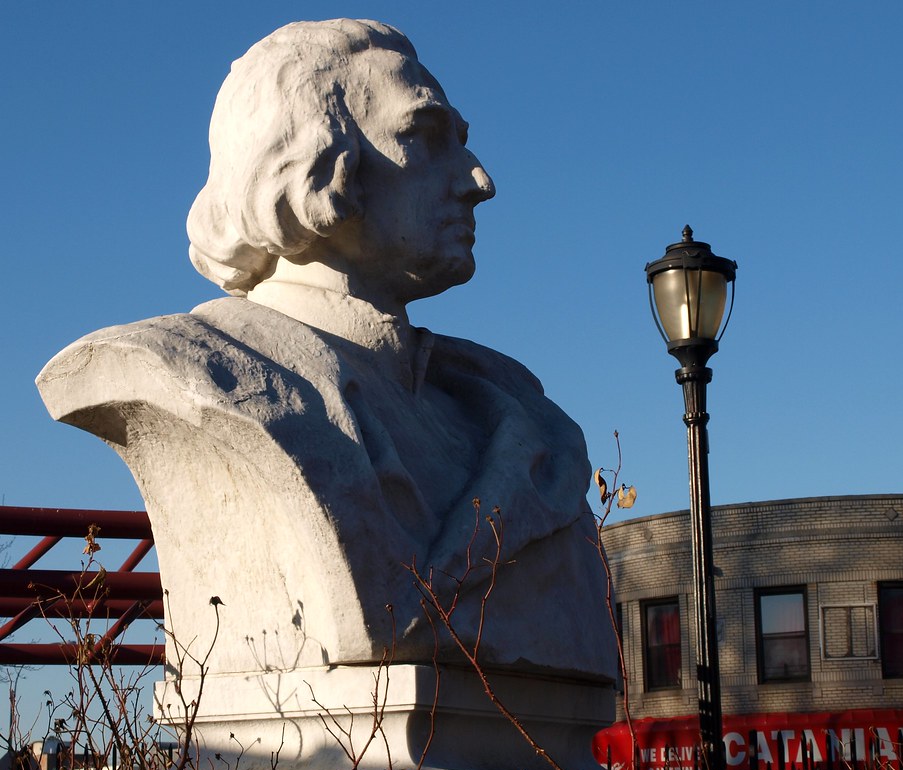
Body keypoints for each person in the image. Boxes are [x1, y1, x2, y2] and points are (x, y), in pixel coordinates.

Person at [37, 19, 615, 682]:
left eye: (463, 145)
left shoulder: (517, 416)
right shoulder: (194, 370)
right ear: (313, 160)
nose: (478, 181)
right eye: (424, 138)